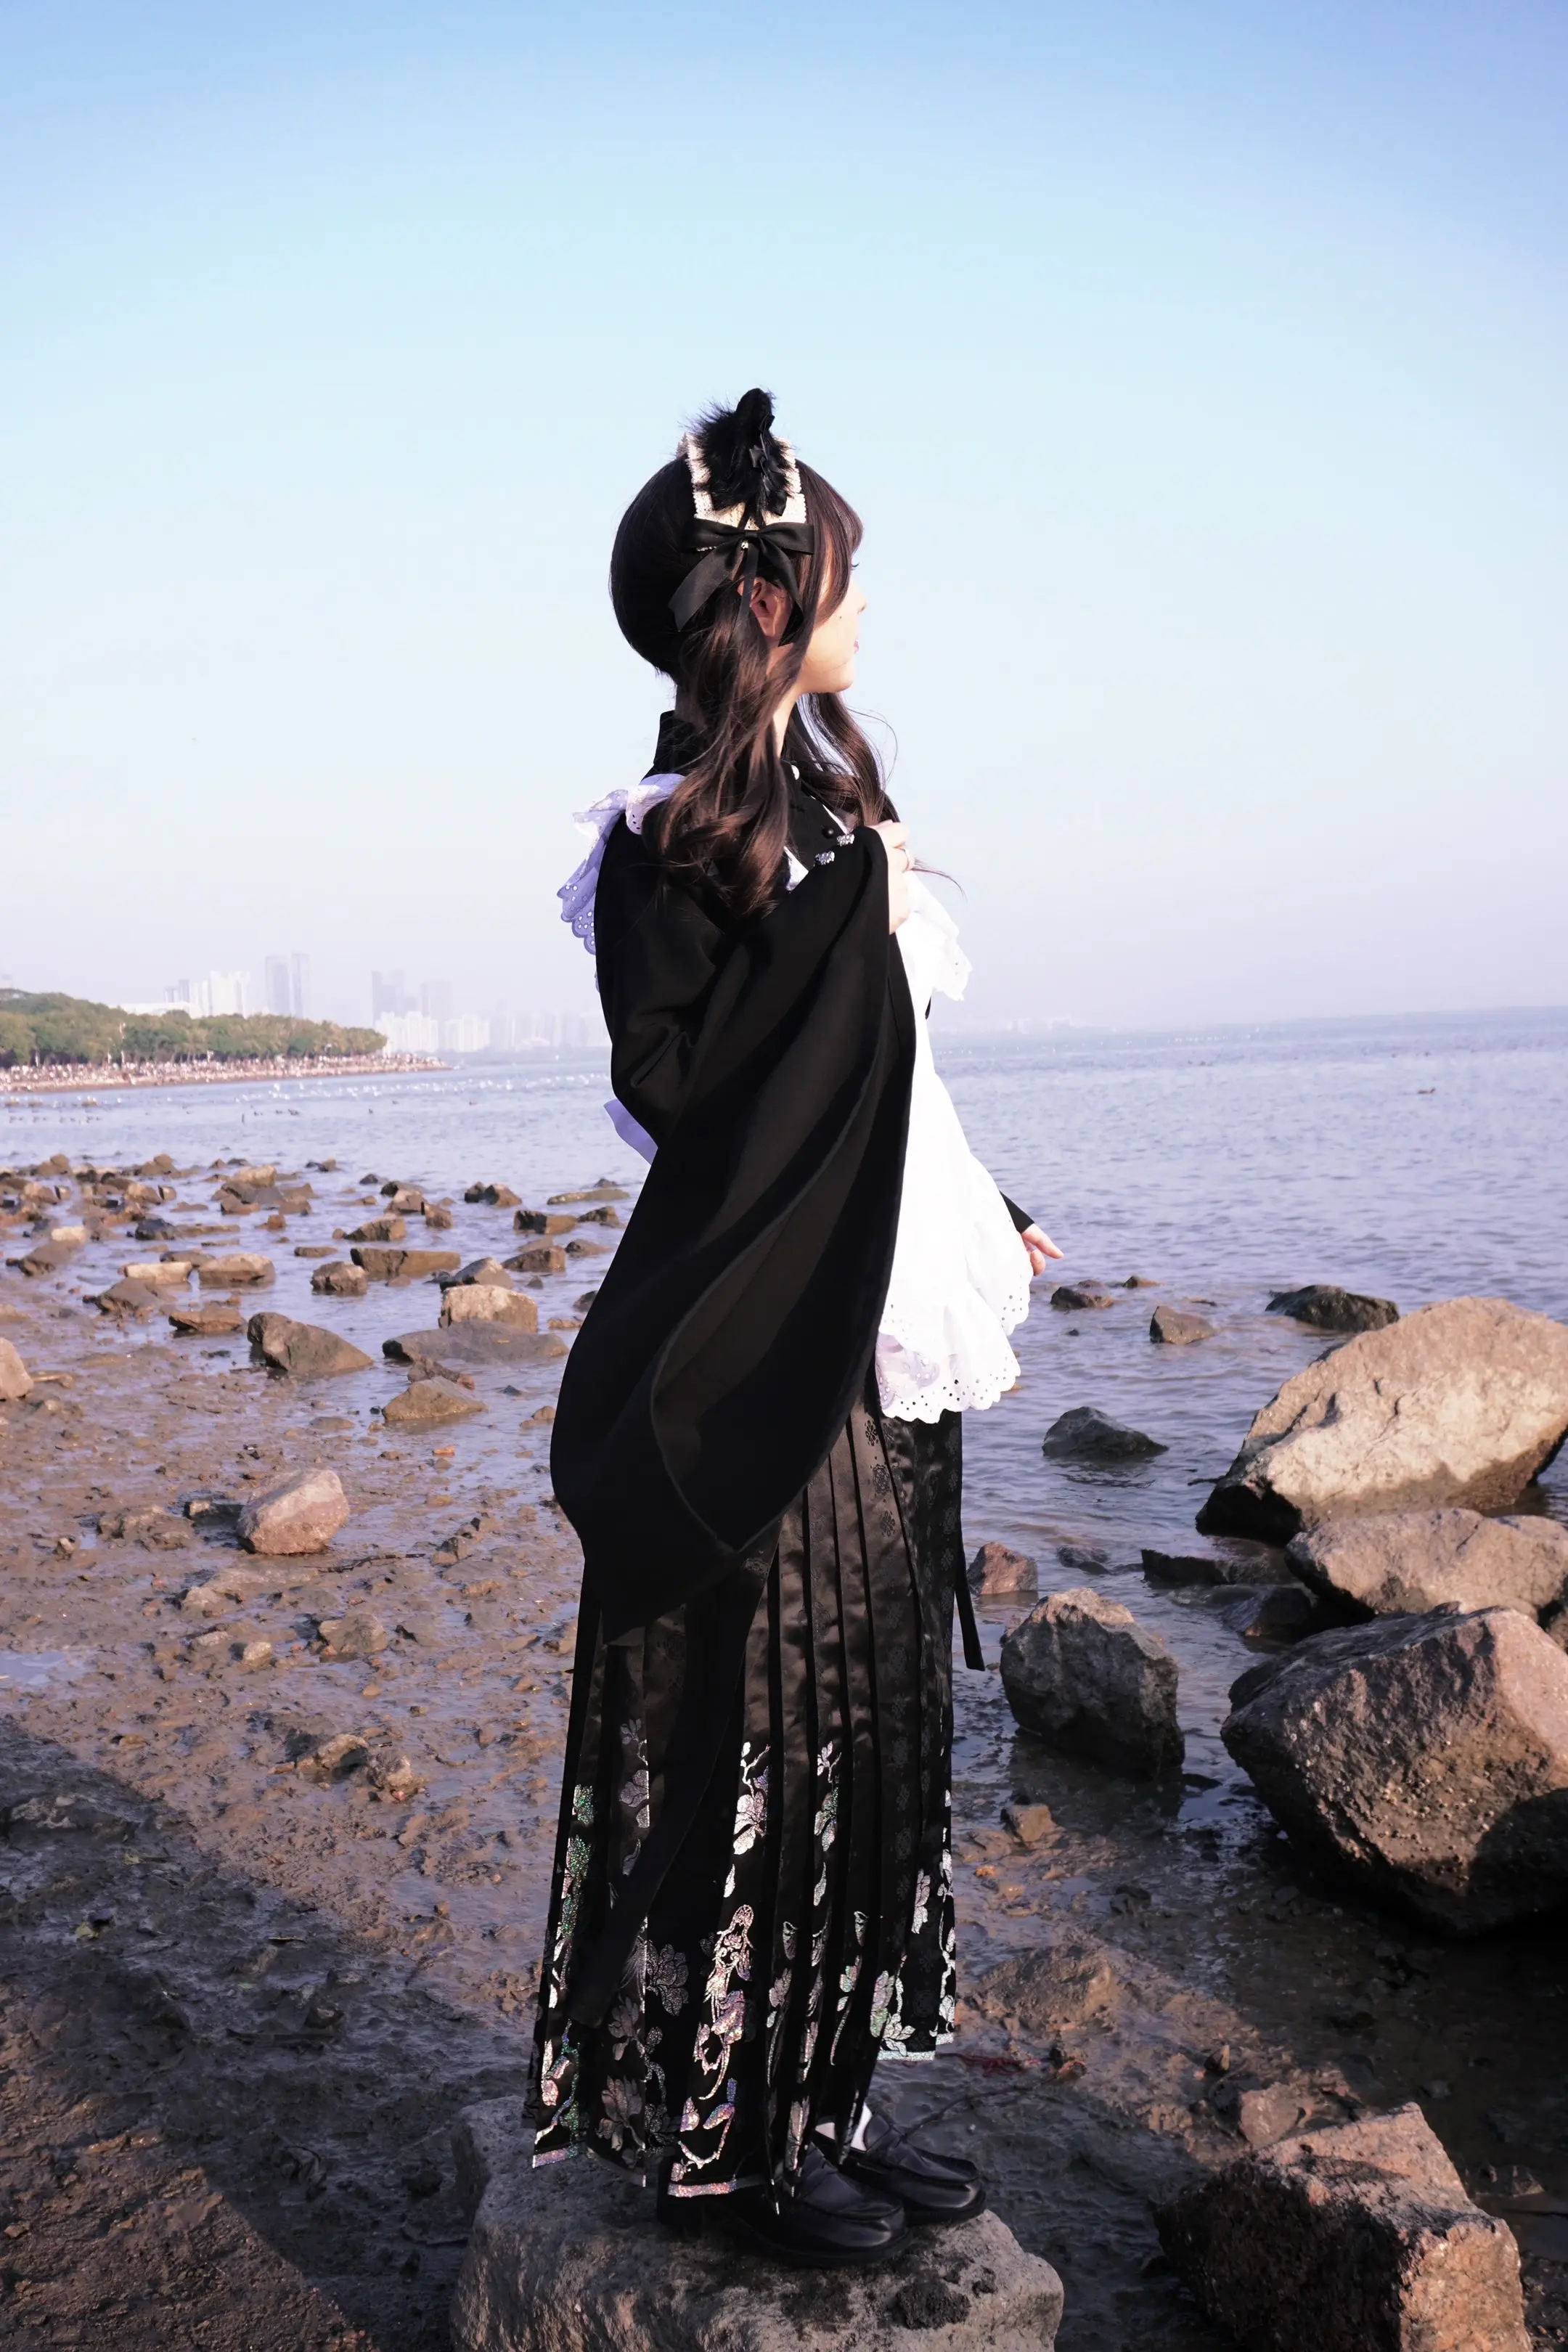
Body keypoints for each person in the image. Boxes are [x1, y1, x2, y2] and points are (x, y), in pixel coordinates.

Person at [532, 389, 1060, 2269]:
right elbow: (686, 1092)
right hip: (775, 1338)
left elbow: (887, 1084)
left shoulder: (831, 814)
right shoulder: (675, 838)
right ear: (766, 596)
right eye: (844, 566)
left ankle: (825, 2094)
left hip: (886, 1318)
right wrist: (838, 947)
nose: (867, 597)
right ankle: (724, 2140)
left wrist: (985, 1207)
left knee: (881, 1716)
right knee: (771, 1728)